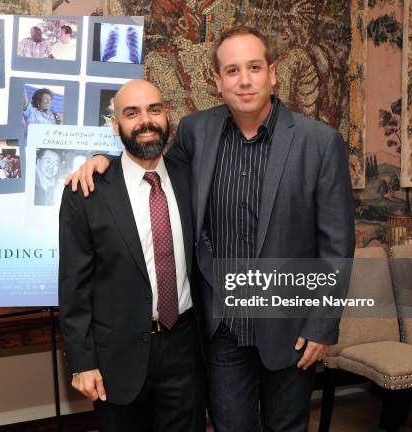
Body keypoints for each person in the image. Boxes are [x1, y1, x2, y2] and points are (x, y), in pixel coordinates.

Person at [67, 25, 355, 432]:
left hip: (290, 331)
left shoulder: (319, 143)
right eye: (232, 70)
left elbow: (337, 245)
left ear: (272, 73)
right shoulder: (195, 133)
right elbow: (148, 164)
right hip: (222, 331)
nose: (245, 79)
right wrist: (101, 161)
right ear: (217, 82)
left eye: (254, 67)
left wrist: (323, 324)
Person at [59, 79, 205, 432]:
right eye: (132, 113)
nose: (145, 121)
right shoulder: (86, 192)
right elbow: (74, 286)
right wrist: (82, 362)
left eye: (154, 109)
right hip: (117, 355)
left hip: (185, 349)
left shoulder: (193, 178)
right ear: (115, 124)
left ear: (167, 115)